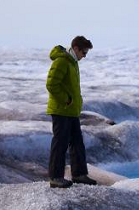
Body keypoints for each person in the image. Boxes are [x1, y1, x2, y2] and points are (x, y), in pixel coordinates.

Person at [46, 36, 97, 188]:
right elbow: (51, 84)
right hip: (61, 110)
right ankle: (55, 177)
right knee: (60, 144)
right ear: (76, 48)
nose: (85, 55)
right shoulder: (61, 61)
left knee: (77, 143)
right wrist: (66, 100)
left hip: (71, 111)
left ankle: (79, 174)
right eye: (84, 52)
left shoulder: (72, 62)